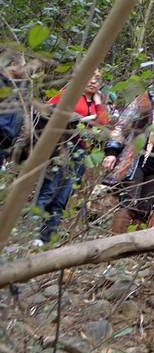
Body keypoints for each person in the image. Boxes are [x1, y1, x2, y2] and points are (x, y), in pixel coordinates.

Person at [102, 74, 154, 234]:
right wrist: (112, 152)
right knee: (129, 203)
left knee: (144, 209)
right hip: (135, 161)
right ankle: (113, 248)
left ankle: (130, 252)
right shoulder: (145, 102)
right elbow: (122, 126)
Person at [34, 70, 110, 243]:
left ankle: (46, 237)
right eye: (90, 76)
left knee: (63, 196)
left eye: (97, 79)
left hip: (82, 152)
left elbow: (103, 123)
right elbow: (46, 110)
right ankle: (31, 233)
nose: (93, 81)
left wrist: (98, 104)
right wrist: (72, 118)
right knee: (49, 190)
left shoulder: (98, 102)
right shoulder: (69, 94)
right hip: (60, 147)